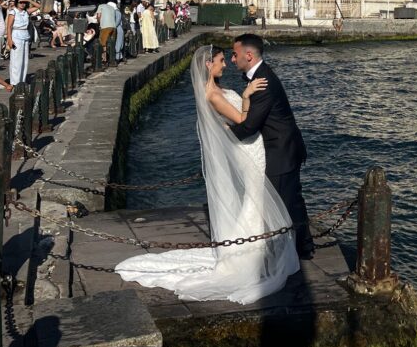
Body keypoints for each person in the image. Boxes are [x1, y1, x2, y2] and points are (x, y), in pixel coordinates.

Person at [115, 45, 297, 303]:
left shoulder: (212, 90)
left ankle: (253, 249)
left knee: (253, 198)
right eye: (221, 60)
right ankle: (249, 254)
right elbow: (242, 121)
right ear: (207, 65)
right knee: (255, 196)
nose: (226, 64)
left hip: (249, 147)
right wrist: (246, 96)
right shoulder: (212, 93)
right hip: (248, 149)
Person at [229, 33, 314, 259]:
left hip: (281, 151)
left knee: (285, 202)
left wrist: (225, 132)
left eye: (234, 54)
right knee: (292, 199)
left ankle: (300, 249)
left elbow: (249, 127)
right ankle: (303, 245)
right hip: (284, 147)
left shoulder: (263, 83)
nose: (232, 59)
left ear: (248, 55)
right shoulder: (259, 76)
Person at [5, 0, 40, 85]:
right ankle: (15, 82)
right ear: (17, 3)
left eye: (24, 2)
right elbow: (9, 27)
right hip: (16, 35)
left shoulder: (26, 12)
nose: (22, 4)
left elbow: (38, 6)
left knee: (24, 60)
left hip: (25, 36)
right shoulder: (13, 12)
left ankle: (22, 80)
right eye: (21, 2)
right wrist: (9, 39)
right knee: (16, 60)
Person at [97, 0, 118, 64]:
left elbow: (98, 16)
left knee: (103, 43)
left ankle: (104, 58)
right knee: (112, 43)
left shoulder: (100, 6)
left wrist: (99, 23)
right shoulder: (112, 8)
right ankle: (112, 58)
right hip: (113, 26)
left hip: (105, 26)